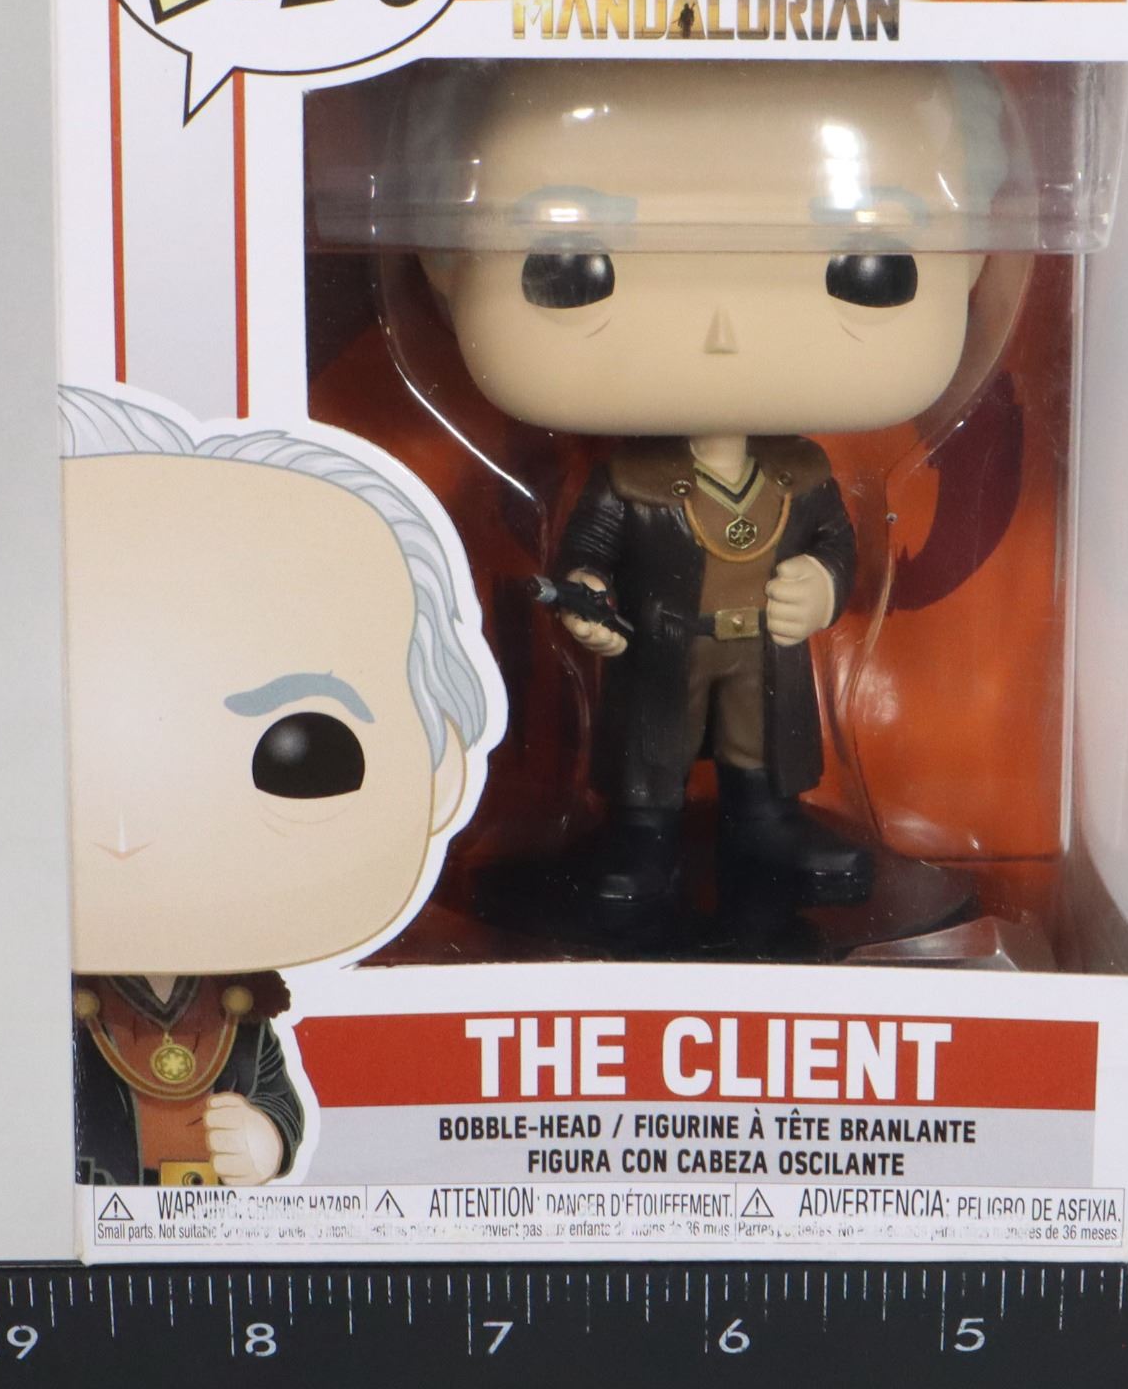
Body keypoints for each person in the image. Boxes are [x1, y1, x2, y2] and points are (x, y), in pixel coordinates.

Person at [408, 60, 1004, 918]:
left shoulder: (800, 475)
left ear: (973, 254)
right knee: (649, 759)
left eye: (866, 266)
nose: (723, 331)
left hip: (761, 648)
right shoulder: (627, 481)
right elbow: (589, 550)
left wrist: (824, 582)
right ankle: (641, 839)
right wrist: (585, 594)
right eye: (571, 265)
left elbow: (834, 540)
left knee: (761, 749)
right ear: (443, 255)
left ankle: (766, 821)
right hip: (662, 647)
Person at [60, 387, 499, 1185]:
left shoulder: (238, 1002)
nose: (124, 833)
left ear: (442, 771)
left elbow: (275, 1094)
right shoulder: (46, 1004)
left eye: (301, 757)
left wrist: (267, 1139)